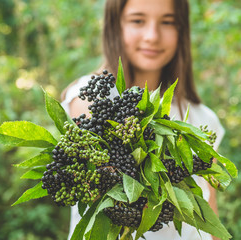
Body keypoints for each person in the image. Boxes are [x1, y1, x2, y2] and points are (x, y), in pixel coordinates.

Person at [61, 0, 225, 239]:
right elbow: (109, 178)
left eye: (167, 22)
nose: (152, 36)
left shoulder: (203, 120)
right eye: (138, 20)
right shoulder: (93, 95)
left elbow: (209, 215)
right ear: (115, 25)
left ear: (182, 29)